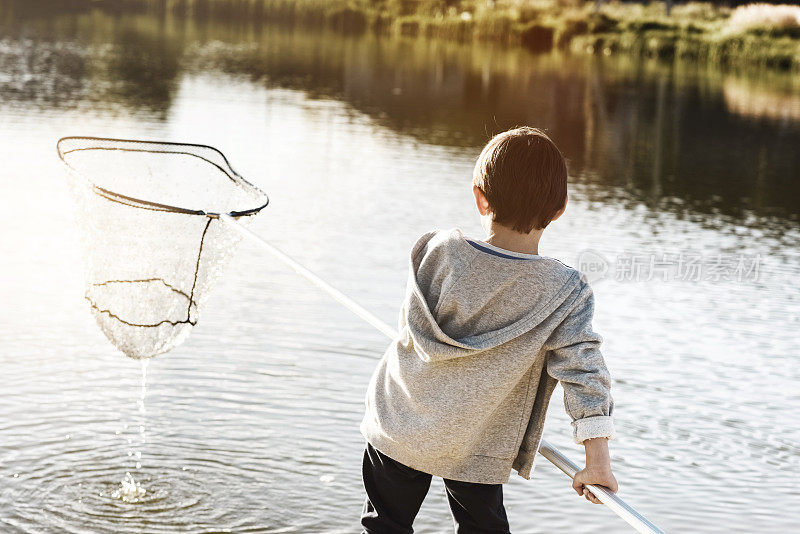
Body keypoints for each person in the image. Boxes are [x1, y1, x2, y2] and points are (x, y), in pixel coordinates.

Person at [359, 127, 618, 533]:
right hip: (477, 444)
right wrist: (596, 461)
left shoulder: (437, 250)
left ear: (480, 197)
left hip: (400, 424)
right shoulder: (566, 291)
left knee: (385, 526)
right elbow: (584, 373)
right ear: (560, 208)